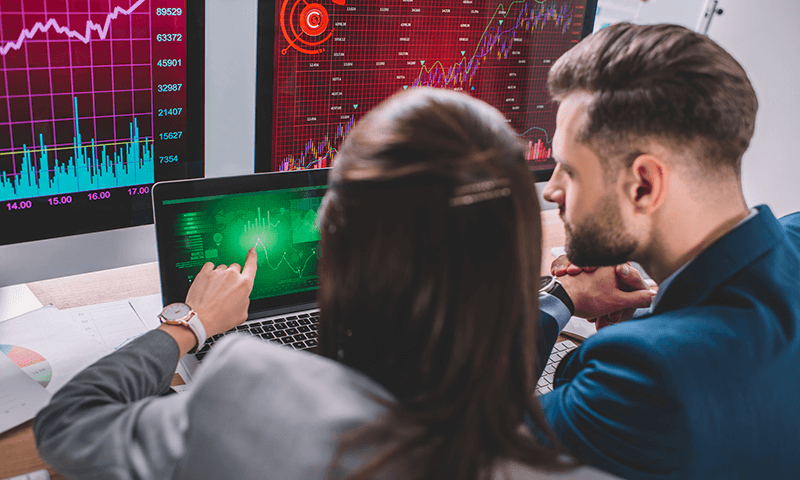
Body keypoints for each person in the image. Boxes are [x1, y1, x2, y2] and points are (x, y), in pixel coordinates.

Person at [33, 87, 632, 480]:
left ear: (337, 247)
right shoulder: (568, 452)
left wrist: (187, 326)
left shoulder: (250, 390)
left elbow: (67, 425)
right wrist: (560, 301)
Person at [533, 22, 800, 478]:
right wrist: (654, 313)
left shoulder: (647, 376)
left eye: (569, 171)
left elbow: (471, 439)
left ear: (643, 185)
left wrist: (562, 299)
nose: (552, 189)